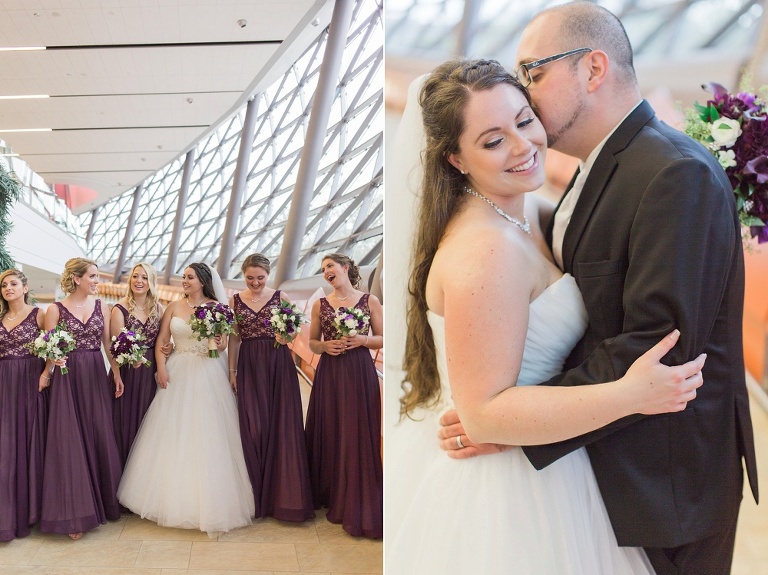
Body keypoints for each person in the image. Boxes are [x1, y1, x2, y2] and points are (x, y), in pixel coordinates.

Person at [438, 4, 758, 574]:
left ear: (592, 68)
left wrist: (514, 422)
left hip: (665, 483)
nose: (527, 94)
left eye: (533, 73)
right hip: (604, 467)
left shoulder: (670, 173)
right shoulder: (595, 164)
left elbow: (660, 353)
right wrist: (508, 413)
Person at [386, 59, 707, 574]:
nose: (522, 145)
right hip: (505, 490)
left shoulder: (524, 210)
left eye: (523, 120)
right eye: (492, 141)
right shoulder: (485, 252)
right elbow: (483, 415)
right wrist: (630, 394)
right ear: (455, 160)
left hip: (548, 458)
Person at [117, 262, 254, 535]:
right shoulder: (173, 307)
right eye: (184, 277)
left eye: (189, 277)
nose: (185, 281)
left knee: (208, 433)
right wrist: (162, 368)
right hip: (178, 370)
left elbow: (224, 344)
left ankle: (208, 502)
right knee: (173, 432)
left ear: (202, 280)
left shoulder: (218, 308)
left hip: (207, 370)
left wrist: (217, 338)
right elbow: (161, 342)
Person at [39, 258, 123, 540]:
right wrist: (50, 366)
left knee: (99, 433)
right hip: (68, 376)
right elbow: (49, 349)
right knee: (69, 440)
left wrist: (117, 373)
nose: (97, 281)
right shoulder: (55, 309)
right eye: (92, 276)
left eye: (97, 277)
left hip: (95, 376)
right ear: (76, 279)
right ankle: (74, 514)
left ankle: (104, 504)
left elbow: (108, 345)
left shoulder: (102, 306)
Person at [228, 253, 314, 522]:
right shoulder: (235, 301)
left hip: (278, 365)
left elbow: (293, 334)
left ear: (269, 275)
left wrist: (285, 335)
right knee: (254, 427)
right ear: (244, 275)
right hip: (250, 366)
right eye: (250, 278)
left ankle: (282, 497)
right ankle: (256, 495)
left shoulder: (281, 298)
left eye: (260, 278)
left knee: (281, 425)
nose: (255, 282)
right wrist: (232, 371)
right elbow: (234, 339)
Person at [305, 253, 383, 539]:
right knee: (331, 429)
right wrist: (325, 347)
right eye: (323, 268)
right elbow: (312, 342)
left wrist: (361, 340)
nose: (326, 271)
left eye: (330, 266)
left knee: (356, 432)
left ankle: (354, 498)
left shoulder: (369, 301)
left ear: (346, 268)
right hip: (330, 373)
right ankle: (330, 493)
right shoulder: (319, 305)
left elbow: (383, 338)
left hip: (359, 372)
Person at [0, 269, 47, 541]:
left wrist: (46, 373)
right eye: (4, 285)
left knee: (31, 442)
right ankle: (8, 515)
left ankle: (34, 512)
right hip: (4, 386)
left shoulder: (38, 315)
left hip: (31, 383)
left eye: (14, 284)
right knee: (7, 446)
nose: (8, 288)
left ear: (25, 288)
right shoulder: (0, 318)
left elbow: (56, 346)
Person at [109, 262, 165, 468]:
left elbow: (163, 340)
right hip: (128, 372)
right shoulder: (119, 309)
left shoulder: (158, 308)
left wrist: (166, 351)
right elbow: (115, 347)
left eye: (144, 277)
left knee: (149, 422)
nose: (139, 281)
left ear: (151, 282)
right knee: (125, 422)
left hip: (151, 371)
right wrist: (117, 375)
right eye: (135, 276)